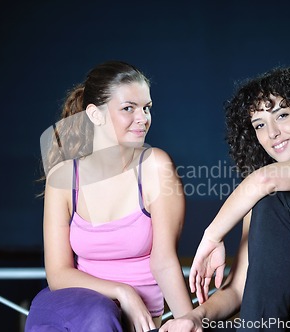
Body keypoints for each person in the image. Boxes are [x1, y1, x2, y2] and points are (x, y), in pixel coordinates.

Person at [159, 66, 290, 331]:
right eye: (260, 125)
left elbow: (266, 179)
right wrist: (194, 316)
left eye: (282, 115)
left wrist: (212, 236)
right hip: (283, 321)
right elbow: (238, 291)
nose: (272, 133)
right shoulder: (261, 202)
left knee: (272, 198)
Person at [25, 60, 193, 332]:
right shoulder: (64, 178)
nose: (143, 118)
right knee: (93, 312)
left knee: (102, 317)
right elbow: (57, 274)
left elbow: (163, 261)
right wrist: (122, 291)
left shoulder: (156, 167)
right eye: (129, 108)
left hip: (128, 323)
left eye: (147, 108)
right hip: (78, 311)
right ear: (95, 114)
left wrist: (191, 321)